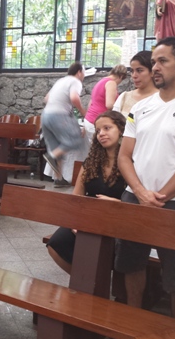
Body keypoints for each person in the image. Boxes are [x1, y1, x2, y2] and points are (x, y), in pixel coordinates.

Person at [116, 37, 175, 321]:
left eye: (162, 61)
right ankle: (134, 321)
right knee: (132, 264)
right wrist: (140, 192)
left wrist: (158, 198)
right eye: (154, 62)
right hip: (135, 198)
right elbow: (124, 157)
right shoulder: (140, 107)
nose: (155, 67)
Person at [47, 111, 127, 274]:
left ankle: (96, 280)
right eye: (98, 131)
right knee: (57, 242)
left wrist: (117, 204)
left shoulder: (131, 163)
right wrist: (76, 222)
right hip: (90, 217)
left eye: (107, 128)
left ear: (121, 130)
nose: (101, 134)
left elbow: (139, 203)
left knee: (112, 246)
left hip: (119, 221)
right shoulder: (91, 162)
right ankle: (86, 280)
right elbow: (76, 198)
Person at [41, 62, 87, 187]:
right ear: (79, 72)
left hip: (45, 116)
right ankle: (51, 156)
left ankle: (58, 178)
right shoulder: (75, 81)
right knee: (75, 139)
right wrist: (83, 112)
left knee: (57, 147)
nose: (84, 75)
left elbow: (46, 98)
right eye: (84, 72)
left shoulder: (61, 81)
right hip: (59, 115)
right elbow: (74, 98)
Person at [83, 64, 127, 141]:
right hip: (98, 121)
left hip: (89, 119)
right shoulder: (111, 83)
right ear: (121, 76)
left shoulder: (101, 82)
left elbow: (90, 103)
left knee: (93, 146)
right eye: (121, 80)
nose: (119, 83)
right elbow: (109, 105)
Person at [113, 51, 158, 117]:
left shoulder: (162, 99)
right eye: (132, 71)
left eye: (139, 70)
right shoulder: (124, 97)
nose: (134, 75)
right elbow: (113, 121)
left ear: (152, 72)